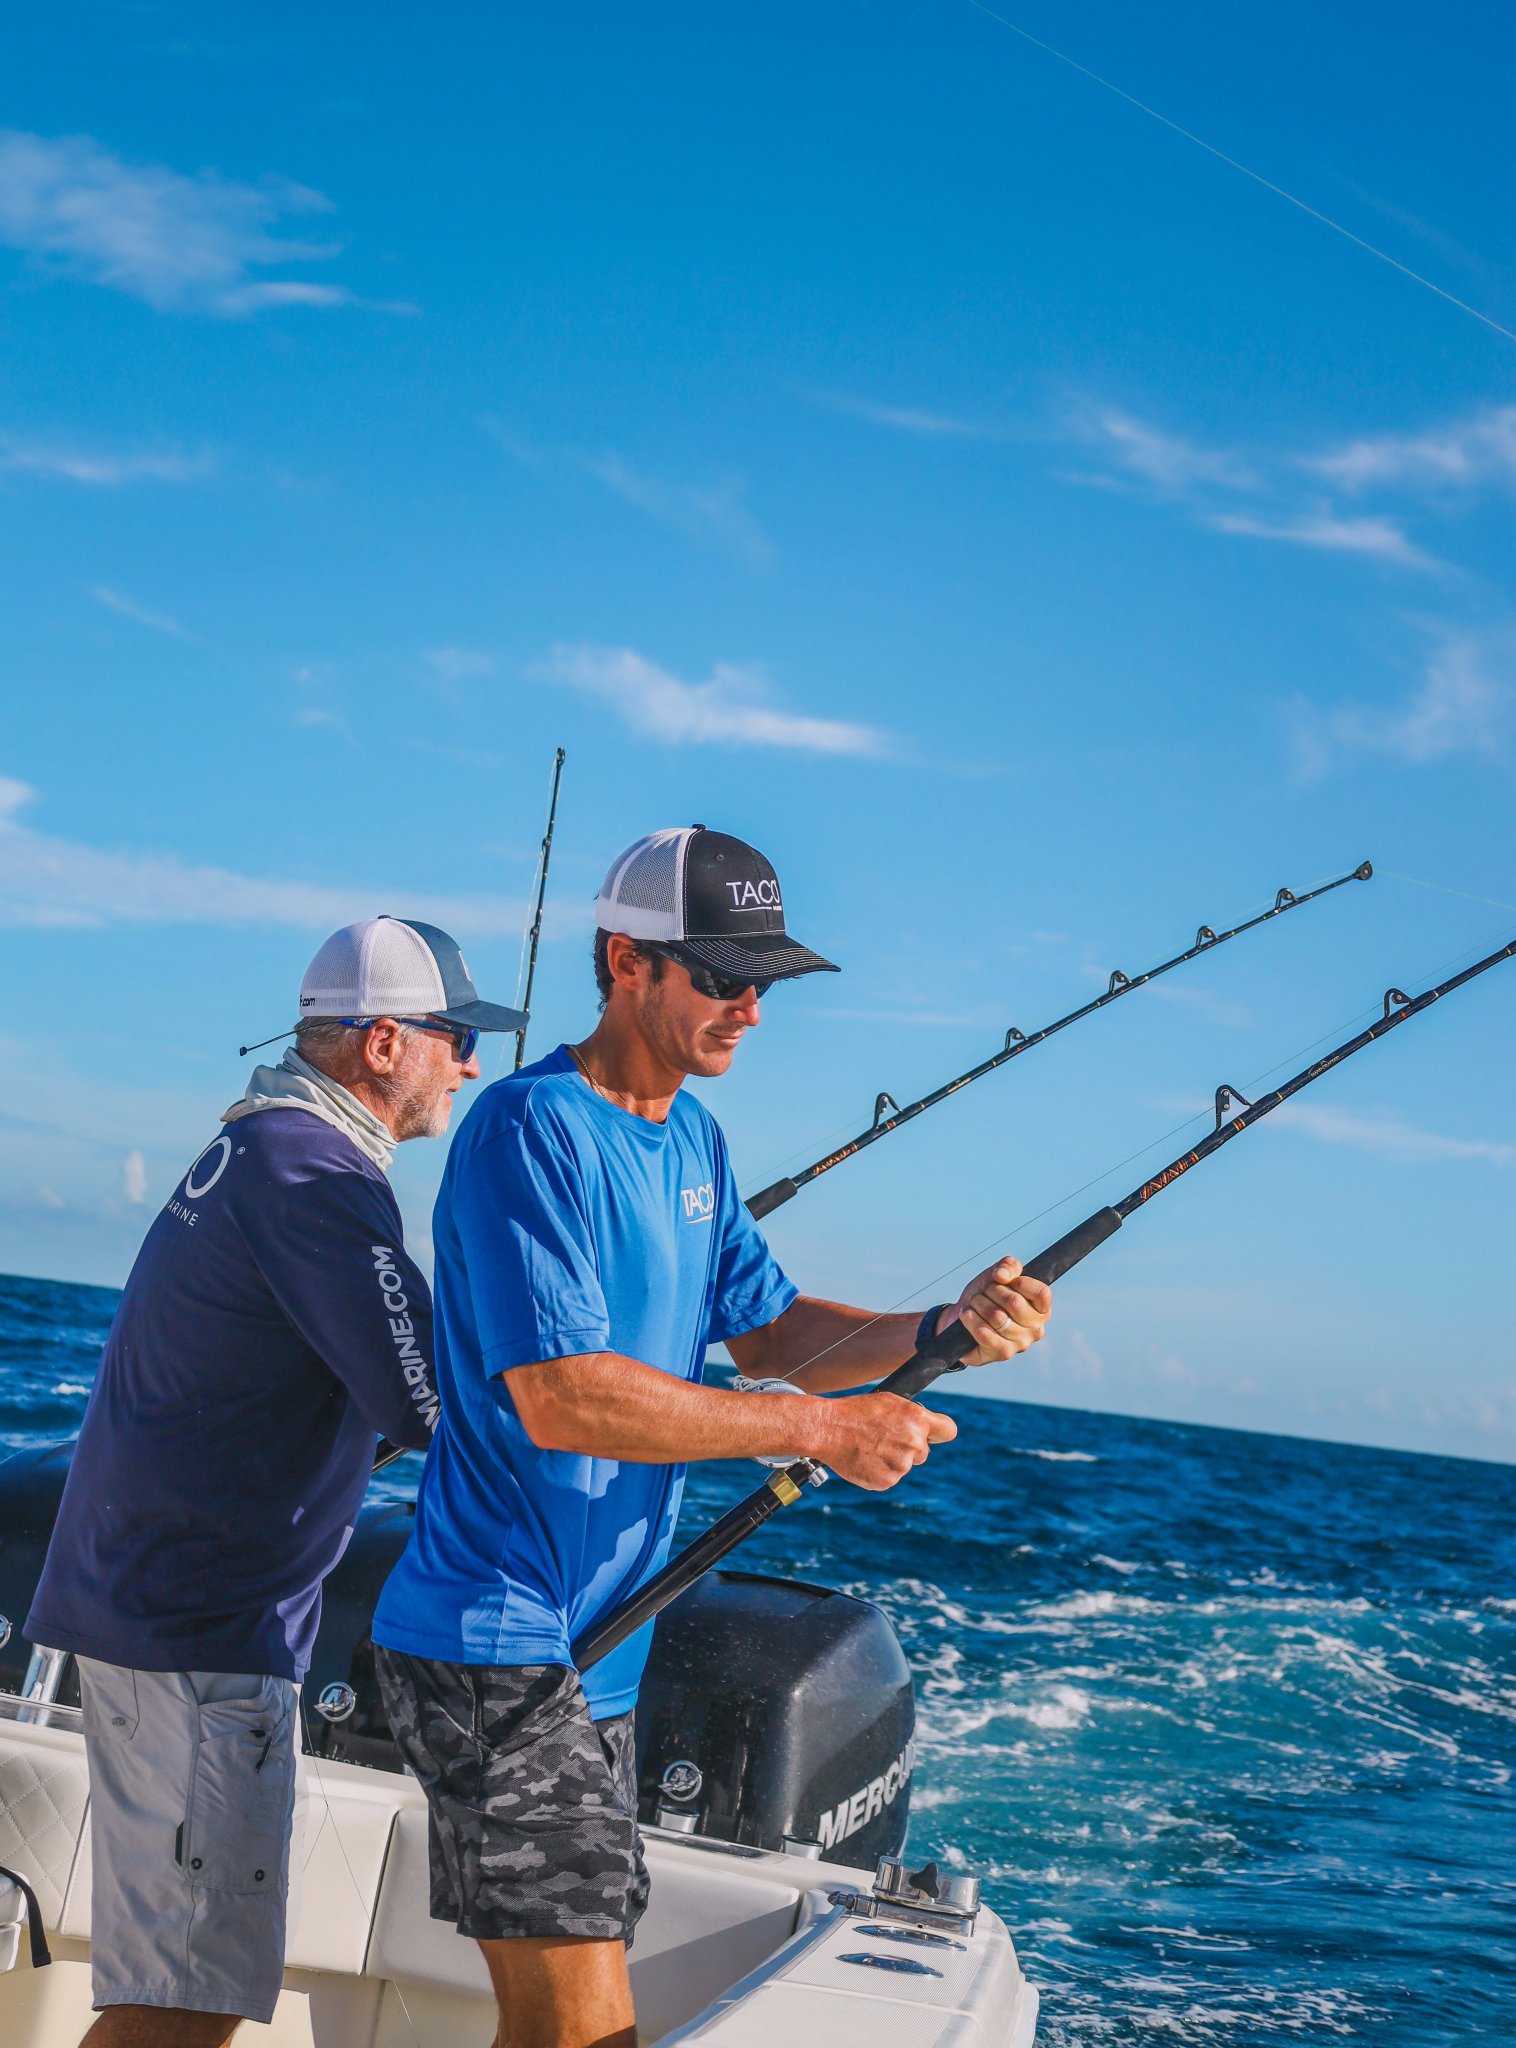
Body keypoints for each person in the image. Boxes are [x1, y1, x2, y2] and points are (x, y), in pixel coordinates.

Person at [371, 827, 1054, 2048]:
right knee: (584, 2026)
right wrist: (816, 1429)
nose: (750, 1007)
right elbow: (563, 1394)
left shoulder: (692, 1138)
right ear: (626, 960)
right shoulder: (530, 1130)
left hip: (607, 1652)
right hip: (495, 1643)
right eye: (723, 976)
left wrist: (941, 1321)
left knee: (560, 2021)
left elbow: (773, 1327)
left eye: (763, 982)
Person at [25, 915, 527, 2048]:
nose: (473, 1063)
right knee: (180, 2006)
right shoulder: (316, 1174)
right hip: (198, 1636)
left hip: (156, 1615)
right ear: (385, 1041)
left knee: (180, 1990)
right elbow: (427, 1405)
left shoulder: (258, 1150)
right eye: (457, 1036)